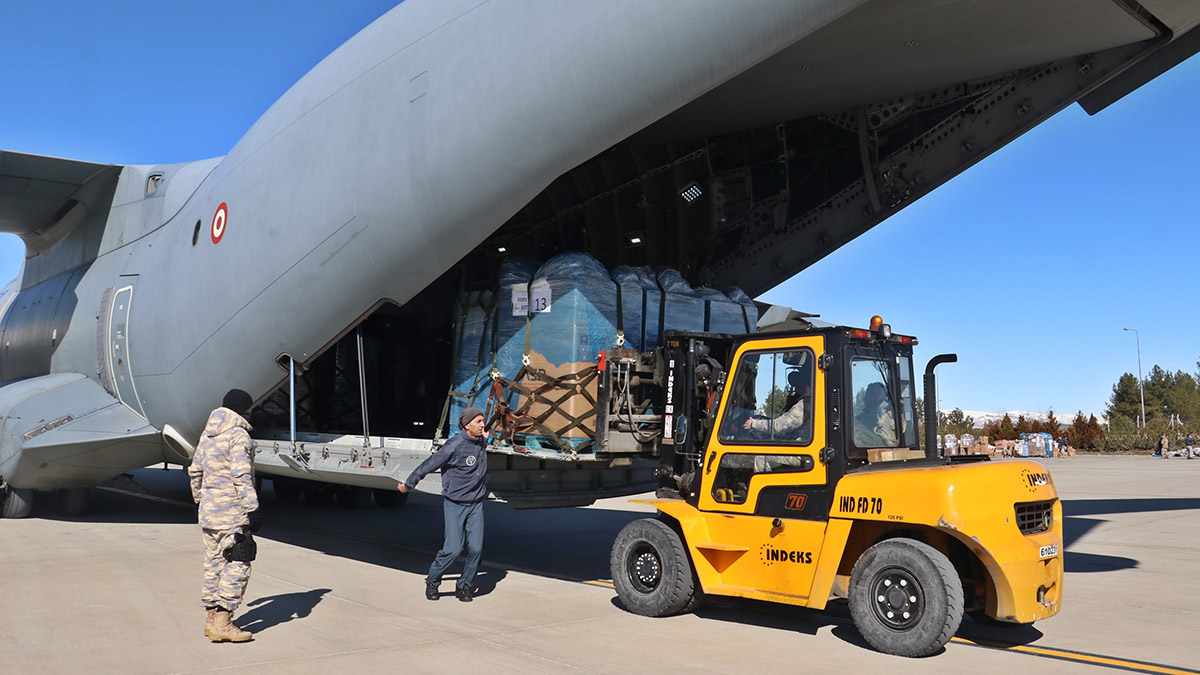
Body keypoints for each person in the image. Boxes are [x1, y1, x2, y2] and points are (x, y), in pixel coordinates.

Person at [189, 389, 259, 643]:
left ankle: (210, 621)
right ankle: (224, 622)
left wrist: (202, 500)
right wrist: (252, 508)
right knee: (239, 562)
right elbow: (241, 475)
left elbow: (195, 471)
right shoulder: (238, 435)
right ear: (247, 409)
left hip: (209, 512)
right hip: (231, 513)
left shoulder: (207, 434)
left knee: (214, 565)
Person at [399, 406, 489, 602]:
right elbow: (429, 464)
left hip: (476, 504)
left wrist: (486, 436)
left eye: (483, 421)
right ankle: (433, 580)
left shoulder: (481, 441)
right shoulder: (455, 445)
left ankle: (464, 586)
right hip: (455, 503)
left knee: (476, 549)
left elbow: (487, 435)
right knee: (454, 549)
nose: (483, 425)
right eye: (479, 422)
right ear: (467, 425)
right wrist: (408, 484)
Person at [743, 370, 809, 439]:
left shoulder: (806, 405)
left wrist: (753, 424)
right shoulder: (809, 404)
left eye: (798, 385)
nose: (796, 390)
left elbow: (779, 426)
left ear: (807, 386)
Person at [853, 382, 897, 448]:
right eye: (870, 394)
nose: (871, 398)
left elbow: (888, 439)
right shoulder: (859, 419)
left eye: (875, 395)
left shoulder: (891, 417)